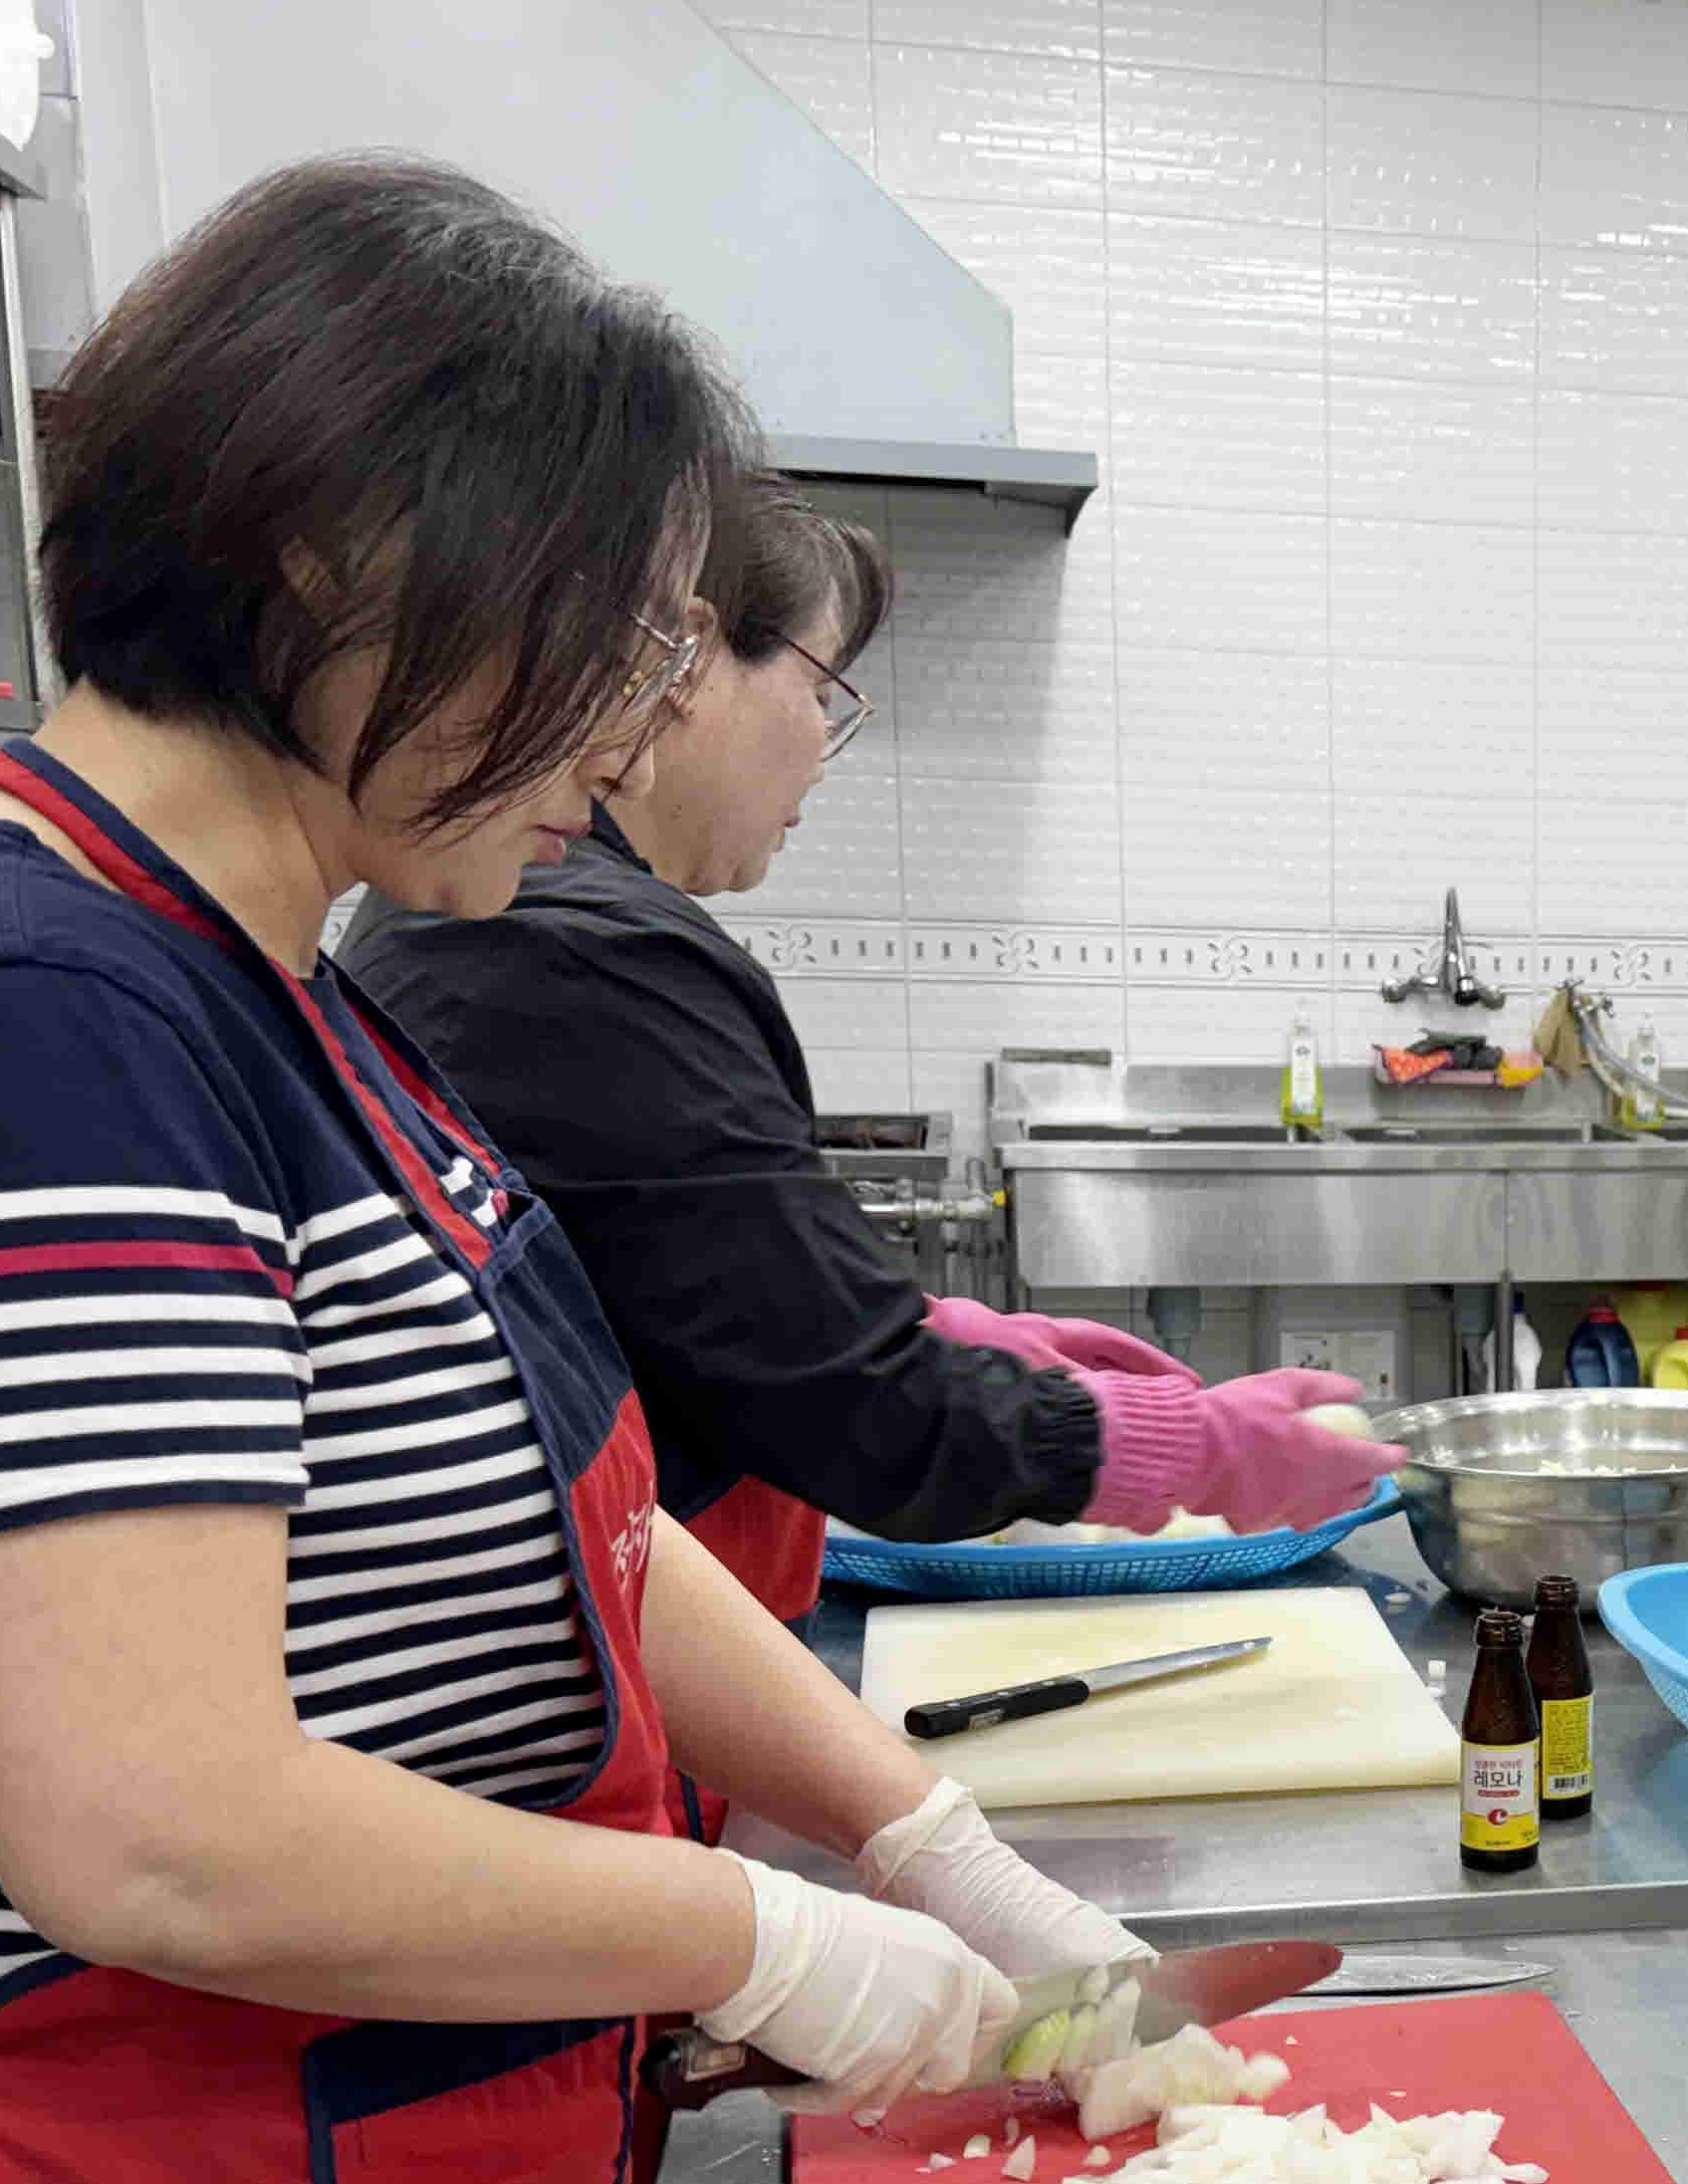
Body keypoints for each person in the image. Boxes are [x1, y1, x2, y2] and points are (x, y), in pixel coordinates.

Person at [0, 157, 1151, 2184]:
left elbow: (591, 1533)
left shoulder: (286, 987)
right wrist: (771, 1939)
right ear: (334, 569)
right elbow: (156, 1821)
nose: (631, 732)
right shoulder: (26, 1021)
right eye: (598, 644)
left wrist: (934, 1851)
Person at [341, 476, 1395, 1621]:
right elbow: (860, 1412)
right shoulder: (577, 950)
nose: (825, 751)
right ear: (687, 662)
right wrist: (1177, 1447)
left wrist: (945, 1336)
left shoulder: (498, 908)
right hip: (621, 1659)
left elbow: (690, 1306)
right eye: (822, 689)